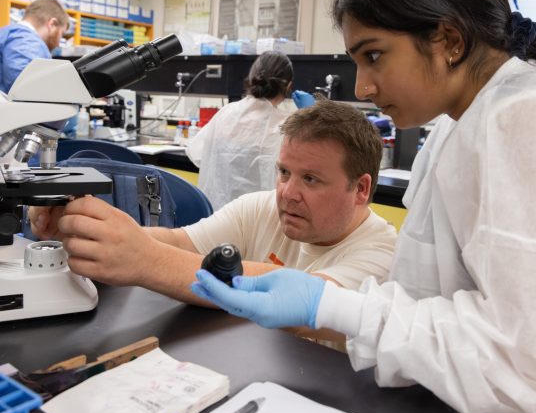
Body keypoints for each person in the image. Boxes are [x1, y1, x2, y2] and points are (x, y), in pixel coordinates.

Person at [190, 0, 536, 413]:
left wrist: (332, 307)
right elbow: (434, 300)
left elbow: (531, 366)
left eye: (373, 55)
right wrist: (334, 307)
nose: (363, 87)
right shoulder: (462, 126)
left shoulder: (527, 119)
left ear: (448, 39)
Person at [30, 99, 396, 309]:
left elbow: (304, 298)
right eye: (284, 172)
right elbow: (180, 242)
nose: (287, 193)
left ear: (360, 189)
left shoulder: (384, 255)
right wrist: (87, 233)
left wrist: (144, 260)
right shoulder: (262, 207)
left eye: (311, 179)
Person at [186, 51, 295, 210]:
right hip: (256, 221)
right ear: (288, 86)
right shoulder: (286, 124)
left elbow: (195, 152)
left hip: (214, 220)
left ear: (252, 78)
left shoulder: (226, 112)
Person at [0, 0, 70, 94]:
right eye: (61, 34)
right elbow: (28, 89)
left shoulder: (8, 33)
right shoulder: (25, 38)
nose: (59, 43)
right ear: (52, 24)